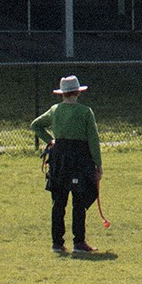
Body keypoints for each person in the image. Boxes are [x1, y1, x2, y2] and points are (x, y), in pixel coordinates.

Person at [30, 75, 103, 255]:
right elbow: (93, 140)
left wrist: (51, 141)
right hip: (80, 159)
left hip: (59, 159)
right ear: (78, 92)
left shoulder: (55, 110)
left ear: (62, 94)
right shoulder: (86, 112)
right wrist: (98, 164)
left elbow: (36, 125)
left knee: (58, 202)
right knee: (79, 202)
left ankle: (57, 243)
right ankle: (79, 242)